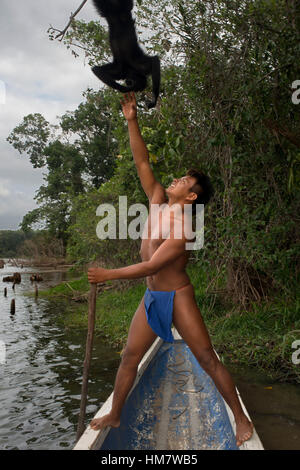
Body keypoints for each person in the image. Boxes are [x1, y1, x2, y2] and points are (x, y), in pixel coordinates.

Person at [87, 92, 253, 447]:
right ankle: (116, 412)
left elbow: (150, 264)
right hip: (152, 297)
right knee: (130, 355)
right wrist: (132, 119)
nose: (176, 180)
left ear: (191, 197)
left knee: (206, 358)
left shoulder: (185, 229)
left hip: (177, 297)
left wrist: (108, 275)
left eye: (184, 182)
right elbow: (142, 162)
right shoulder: (158, 201)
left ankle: (239, 418)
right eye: (178, 177)